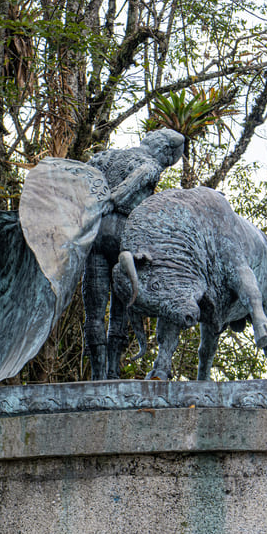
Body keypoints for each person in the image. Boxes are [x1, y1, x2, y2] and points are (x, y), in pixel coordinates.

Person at [82, 128, 185, 379]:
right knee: (122, 307)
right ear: (165, 152)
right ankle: (112, 373)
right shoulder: (151, 165)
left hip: (95, 233)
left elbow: (81, 180)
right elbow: (129, 187)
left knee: (94, 311)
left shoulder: (105, 156)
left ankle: (97, 375)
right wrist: (114, 198)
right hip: (124, 237)